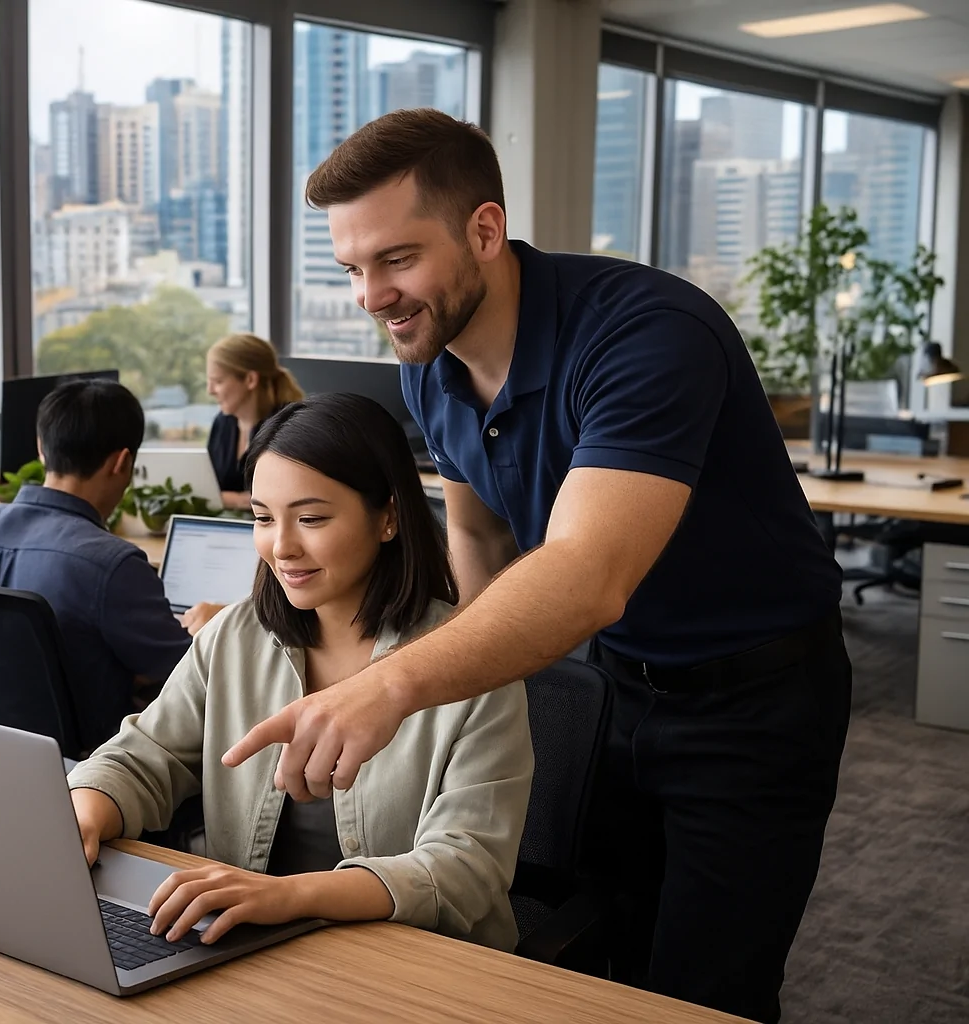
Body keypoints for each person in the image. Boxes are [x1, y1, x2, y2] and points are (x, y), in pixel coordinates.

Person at [221, 109, 849, 1023]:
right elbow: (479, 544)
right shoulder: (430, 362)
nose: (371, 297)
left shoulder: (648, 333)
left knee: (708, 990)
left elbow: (588, 572)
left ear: (485, 229)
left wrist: (390, 685)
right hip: (612, 683)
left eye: (397, 259)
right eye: (352, 268)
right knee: (600, 955)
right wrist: (452, 701)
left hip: (751, 698)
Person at [68, 393, 532, 950]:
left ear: (388, 517)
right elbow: (145, 758)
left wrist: (292, 896)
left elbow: (464, 869)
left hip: (418, 962)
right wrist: (86, 809)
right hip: (246, 946)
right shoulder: (234, 636)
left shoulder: (471, 667)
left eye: (311, 519)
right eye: (263, 518)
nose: (282, 547)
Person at [0, 379, 194, 747]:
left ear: (41, 450)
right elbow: (188, 672)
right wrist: (211, 629)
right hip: (86, 763)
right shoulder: (112, 564)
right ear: (122, 463)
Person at [205, 333, 304, 510]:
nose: (210, 390)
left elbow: (286, 498)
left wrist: (230, 500)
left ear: (250, 380)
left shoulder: (288, 427)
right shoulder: (223, 423)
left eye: (218, 381)